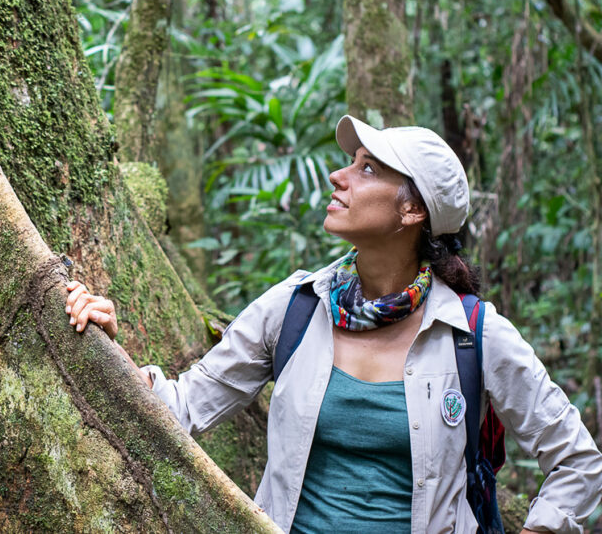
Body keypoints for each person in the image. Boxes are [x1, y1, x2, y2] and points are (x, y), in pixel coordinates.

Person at [64, 115, 602, 534]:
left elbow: (577, 462)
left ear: (413, 210)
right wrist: (107, 351)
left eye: (367, 169)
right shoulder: (297, 305)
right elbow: (183, 407)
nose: (338, 176)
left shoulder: (473, 333)